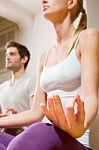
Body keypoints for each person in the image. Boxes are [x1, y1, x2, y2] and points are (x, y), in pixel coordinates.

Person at [0, 0, 98, 149]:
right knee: (40, 130)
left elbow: (90, 96)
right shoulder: (44, 56)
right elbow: (36, 113)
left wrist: (80, 127)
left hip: (74, 141)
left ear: (70, 2)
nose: (43, 0)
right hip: (47, 133)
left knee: (40, 130)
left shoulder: (87, 37)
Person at [0, 41, 34, 135]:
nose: (7, 57)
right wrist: (4, 116)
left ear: (24, 59)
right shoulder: (2, 87)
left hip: (24, 135)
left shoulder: (32, 82)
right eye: (6, 55)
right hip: (4, 135)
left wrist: (16, 118)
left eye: (12, 54)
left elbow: (36, 116)